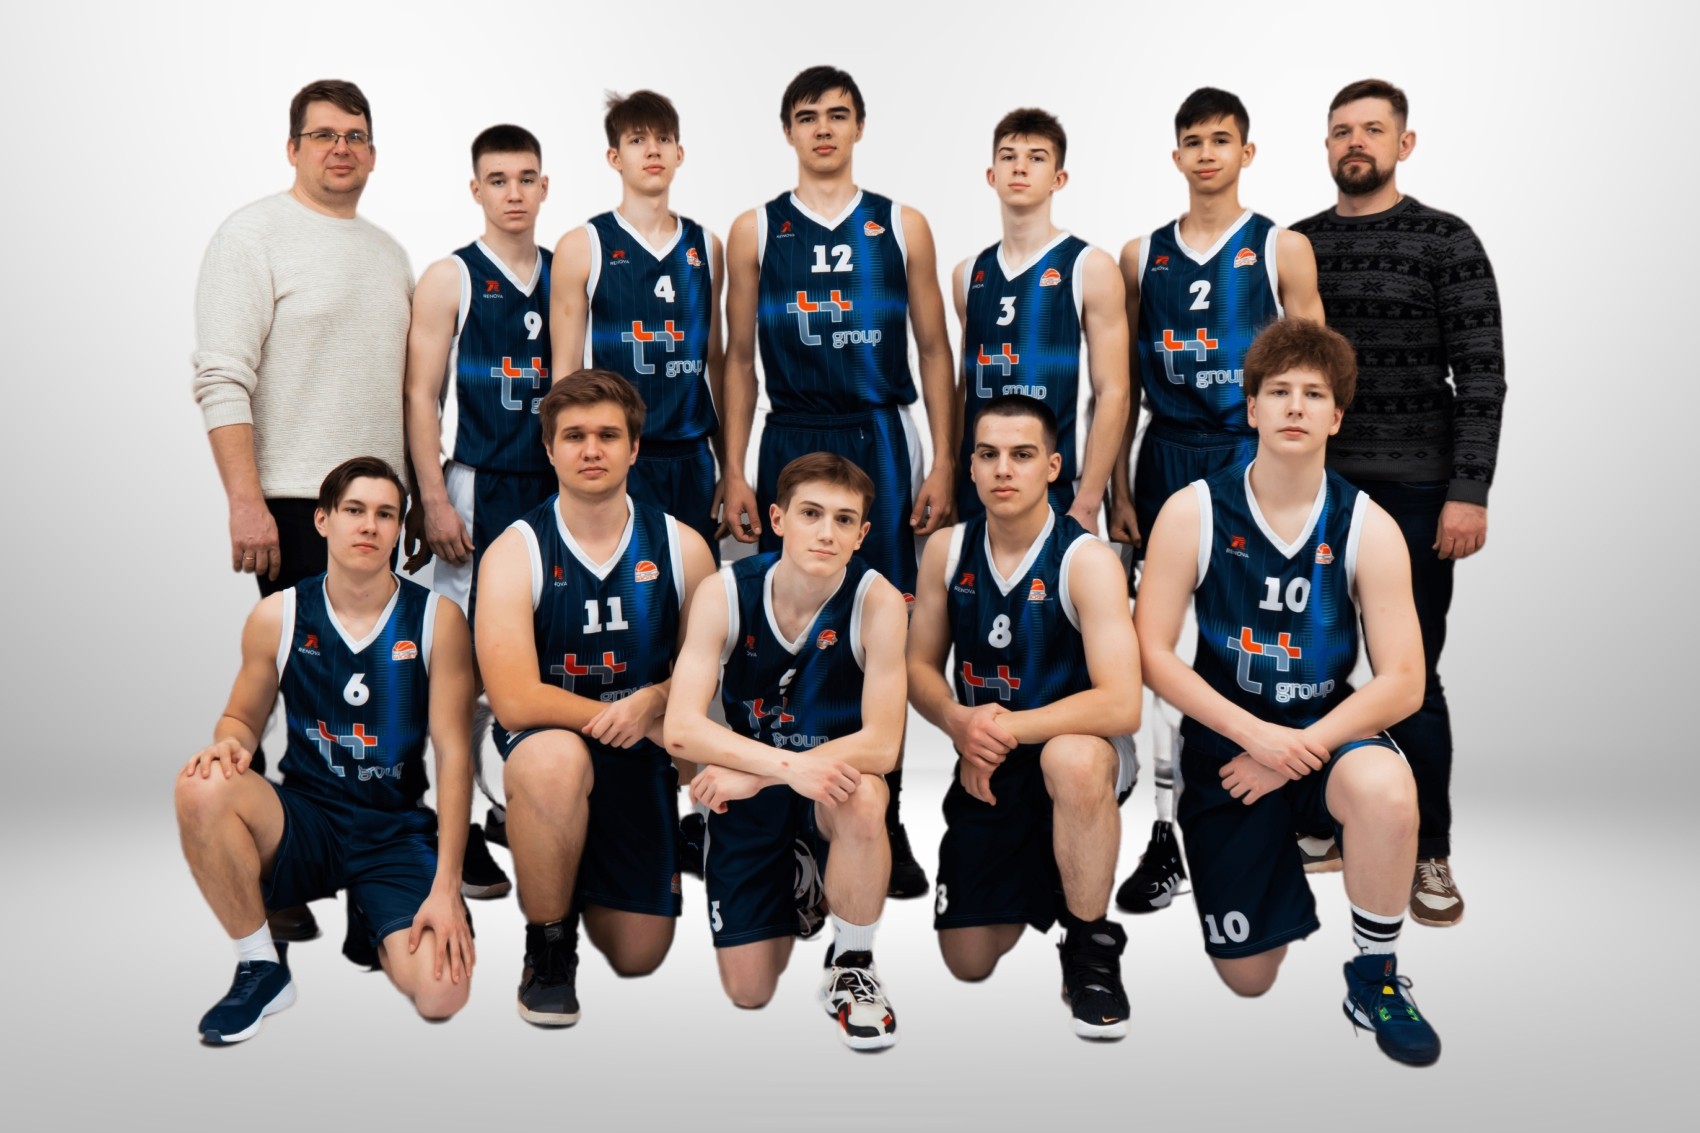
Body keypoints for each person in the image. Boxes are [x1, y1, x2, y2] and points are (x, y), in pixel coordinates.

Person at [1139, 318, 1440, 1066]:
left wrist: (1293, 751)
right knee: (1250, 977)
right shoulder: (1193, 510)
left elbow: (1405, 680)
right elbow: (1151, 652)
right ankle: (1294, 844)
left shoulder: (1368, 525)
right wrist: (1257, 739)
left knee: (1388, 790)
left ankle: (1374, 976)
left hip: (1323, 733)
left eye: (1314, 394)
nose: (1296, 406)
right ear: (1252, 408)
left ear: (1337, 416)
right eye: (1279, 392)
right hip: (1228, 744)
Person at [719, 65, 956, 900]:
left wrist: (945, 458)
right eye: (808, 116)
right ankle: (782, 812)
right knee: (781, 616)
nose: (823, 128)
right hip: (790, 430)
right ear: (788, 130)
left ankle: (880, 815)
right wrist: (734, 466)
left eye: (838, 114)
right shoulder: (755, 228)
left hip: (878, 431)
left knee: (881, 620)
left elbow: (935, 349)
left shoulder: (902, 223)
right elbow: (737, 358)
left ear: (859, 126)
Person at [193, 77, 414, 943]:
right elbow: (221, 375)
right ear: (293, 149)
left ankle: (367, 872)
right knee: (306, 690)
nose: (339, 149)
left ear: (373, 152)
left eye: (354, 135)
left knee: (381, 697)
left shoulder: (388, 253)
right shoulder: (252, 236)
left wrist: (413, 495)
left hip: (380, 504)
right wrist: (244, 500)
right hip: (292, 501)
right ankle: (274, 864)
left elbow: (402, 389)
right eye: (322, 135)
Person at [1291, 79, 1505, 927]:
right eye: (1342, 131)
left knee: (1406, 676)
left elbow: (1480, 374)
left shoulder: (1446, 240)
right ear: (1326, 145)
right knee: (1307, 662)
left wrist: (1468, 492)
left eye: (1373, 130)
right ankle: (1323, 822)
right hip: (1316, 494)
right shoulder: (1298, 245)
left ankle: (1429, 851)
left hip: (1418, 492)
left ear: (1403, 144)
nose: (1356, 143)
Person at [1109, 87, 1326, 914]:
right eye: (1193, 141)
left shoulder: (1281, 247)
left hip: (1248, 460)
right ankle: (1165, 832)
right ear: (1176, 156)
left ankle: (1268, 811)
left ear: (1247, 152)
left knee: (1254, 640)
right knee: (1158, 647)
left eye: (1221, 139)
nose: (1207, 153)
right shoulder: (1141, 255)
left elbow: (1314, 377)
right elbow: (1119, 387)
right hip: (1166, 455)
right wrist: (1119, 486)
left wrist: (1307, 488)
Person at [174, 457, 476, 1044]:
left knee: (442, 992)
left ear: (399, 528)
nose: (369, 526)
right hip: (306, 819)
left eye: (385, 514)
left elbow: (455, 755)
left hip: (393, 828)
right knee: (200, 786)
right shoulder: (278, 615)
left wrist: (447, 888)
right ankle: (261, 967)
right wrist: (229, 745)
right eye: (354, 510)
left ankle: (373, 917)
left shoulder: (437, 620)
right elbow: (241, 718)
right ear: (322, 520)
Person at [476, 370, 716, 1027]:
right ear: (548, 449)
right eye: (574, 436)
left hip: (640, 748)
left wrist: (657, 697)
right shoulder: (514, 550)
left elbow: (706, 670)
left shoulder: (683, 546)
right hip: (539, 742)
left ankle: (560, 846)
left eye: (608, 435)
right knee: (556, 762)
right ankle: (549, 946)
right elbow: (515, 699)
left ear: (635, 448)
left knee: (638, 952)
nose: (591, 449)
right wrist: (634, 713)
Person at [907, 395, 1141, 1041]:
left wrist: (998, 729)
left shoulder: (1086, 559)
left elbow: (1122, 702)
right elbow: (919, 668)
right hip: (988, 756)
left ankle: (1090, 944)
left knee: (1074, 759)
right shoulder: (947, 550)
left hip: (1075, 750)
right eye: (988, 454)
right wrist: (956, 721)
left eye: (1022, 454)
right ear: (971, 466)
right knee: (969, 960)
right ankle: (1056, 868)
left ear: (1053, 467)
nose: (1003, 469)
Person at [665, 453, 908, 1051]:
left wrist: (763, 775)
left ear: (862, 535)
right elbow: (681, 729)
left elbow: (883, 745)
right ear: (777, 519)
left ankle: (852, 965)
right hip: (763, 781)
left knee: (865, 797)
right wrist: (784, 769)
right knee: (749, 990)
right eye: (811, 514)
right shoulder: (724, 591)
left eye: (844, 520)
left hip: (827, 785)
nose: (827, 532)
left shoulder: (877, 601)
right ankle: (801, 875)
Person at [404, 123, 558, 905]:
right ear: (475, 189)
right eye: (498, 180)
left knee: (548, 658)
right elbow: (419, 394)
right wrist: (432, 497)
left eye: (526, 178)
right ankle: (453, 827)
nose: (513, 193)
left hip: (555, 488)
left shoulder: (568, 272)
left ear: (545, 187)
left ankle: (521, 805)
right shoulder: (451, 277)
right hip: (477, 482)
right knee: (462, 669)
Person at [550, 90, 724, 557]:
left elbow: (716, 364)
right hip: (618, 456)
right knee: (626, 583)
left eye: (663, 139)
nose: (652, 151)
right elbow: (565, 373)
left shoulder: (707, 247)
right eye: (637, 140)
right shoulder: (583, 246)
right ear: (615, 157)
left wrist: (731, 467)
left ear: (679, 153)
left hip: (692, 456)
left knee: (695, 584)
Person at [951, 107, 1129, 528]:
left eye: (1036, 157)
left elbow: (1113, 392)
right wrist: (952, 476)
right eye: (1008, 156)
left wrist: (1089, 500)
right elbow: (964, 387)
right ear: (991, 174)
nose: (1020, 167)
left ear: (1058, 178)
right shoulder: (968, 274)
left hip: (1057, 487)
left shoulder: (1089, 266)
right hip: (980, 485)